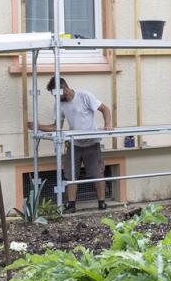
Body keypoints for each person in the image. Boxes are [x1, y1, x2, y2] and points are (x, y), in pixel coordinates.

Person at [29, 77, 112, 213]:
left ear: (64, 88)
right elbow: (57, 127)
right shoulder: (59, 104)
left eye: (56, 93)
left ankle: (101, 203)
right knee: (70, 175)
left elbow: (105, 109)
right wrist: (38, 127)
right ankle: (71, 205)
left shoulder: (84, 96)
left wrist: (107, 125)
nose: (55, 97)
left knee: (98, 173)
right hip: (74, 144)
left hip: (92, 142)